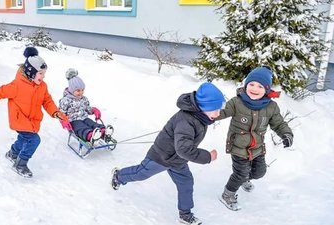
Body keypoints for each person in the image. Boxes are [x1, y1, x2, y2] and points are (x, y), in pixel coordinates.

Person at [111, 82, 225, 225]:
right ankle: (119, 176)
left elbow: (183, 150)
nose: (218, 113)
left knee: (186, 183)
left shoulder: (202, 115)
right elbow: (184, 149)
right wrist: (208, 157)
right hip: (161, 157)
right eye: (216, 110)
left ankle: (185, 214)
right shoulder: (186, 121)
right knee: (141, 173)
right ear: (204, 107)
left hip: (178, 160)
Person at [0, 47, 69, 178]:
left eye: (44, 74)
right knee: (34, 140)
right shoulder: (17, 85)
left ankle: (12, 153)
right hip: (19, 119)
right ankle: (20, 164)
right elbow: (0, 92)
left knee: (24, 139)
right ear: (31, 72)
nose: (43, 76)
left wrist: (55, 112)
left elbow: (47, 101)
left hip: (32, 120)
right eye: (40, 73)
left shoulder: (42, 86)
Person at [216, 67, 293, 211]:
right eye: (251, 84)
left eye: (260, 86)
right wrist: (207, 112)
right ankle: (227, 194)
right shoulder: (236, 103)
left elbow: (278, 123)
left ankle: (245, 178)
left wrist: (286, 134)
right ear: (245, 85)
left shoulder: (271, 107)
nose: (254, 89)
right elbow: (222, 112)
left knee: (259, 172)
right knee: (240, 173)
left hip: (257, 148)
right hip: (238, 147)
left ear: (267, 90)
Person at [58, 68, 114, 144]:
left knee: (93, 124)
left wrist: (93, 110)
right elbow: (60, 113)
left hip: (84, 118)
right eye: (78, 91)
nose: (81, 93)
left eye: (82, 90)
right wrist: (63, 121)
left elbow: (87, 108)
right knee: (82, 128)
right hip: (73, 121)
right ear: (71, 90)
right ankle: (91, 137)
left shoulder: (83, 99)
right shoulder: (65, 100)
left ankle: (104, 132)